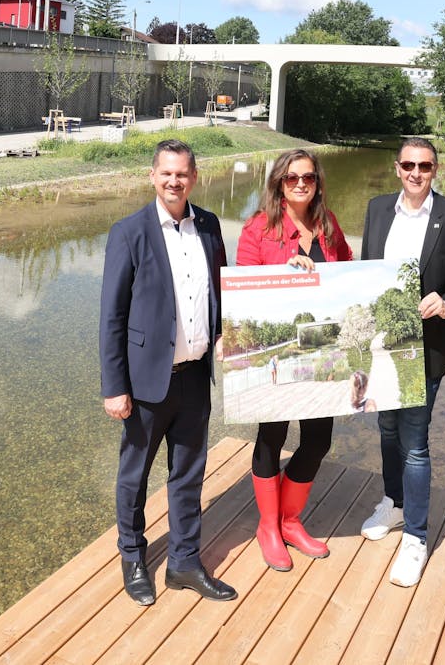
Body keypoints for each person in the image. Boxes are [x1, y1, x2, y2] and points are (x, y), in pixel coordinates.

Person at [99, 139, 237, 607]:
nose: (175, 181)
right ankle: (133, 556)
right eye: (166, 173)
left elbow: (221, 291)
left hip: (196, 376)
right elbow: (112, 317)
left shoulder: (211, 226)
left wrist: (222, 335)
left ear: (195, 177)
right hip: (145, 381)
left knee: (189, 475)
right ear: (152, 176)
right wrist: (114, 387)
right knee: (134, 476)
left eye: (183, 174)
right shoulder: (129, 232)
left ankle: (183, 562)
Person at [358, 136, 445, 587]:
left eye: (425, 167)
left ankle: (415, 536)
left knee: (414, 441)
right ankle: (393, 503)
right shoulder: (376, 209)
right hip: (381, 344)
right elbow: (364, 271)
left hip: (426, 347)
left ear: (436, 170)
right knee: (386, 427)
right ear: (397, 168)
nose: (415, 173)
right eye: (408, 165)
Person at [236, 148, 354, 572]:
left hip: (322, 349)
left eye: (307, 176)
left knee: (319, 440)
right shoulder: (258, 228)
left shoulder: (329, 225)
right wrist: (284, 274)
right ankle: (268, 526)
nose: (300, 183)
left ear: (317, 182)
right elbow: (243, 289)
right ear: (278, 184)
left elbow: (346, 274)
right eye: (291, 178)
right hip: (284, 346)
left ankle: (290, 520)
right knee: (271, 436)